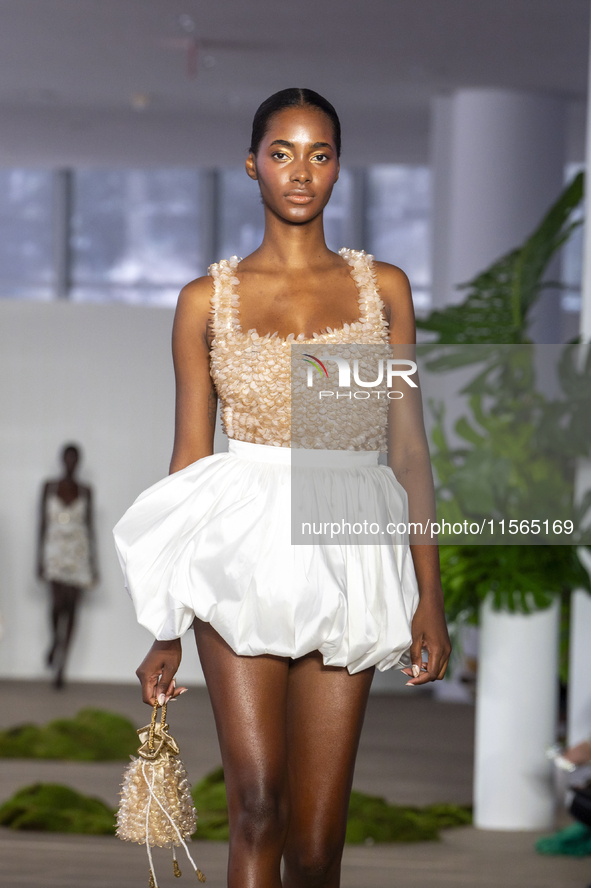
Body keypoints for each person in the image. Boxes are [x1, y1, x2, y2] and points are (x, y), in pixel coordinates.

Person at [114, 88, 451, 888]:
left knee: (318, 838)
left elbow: (409, 450)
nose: (300, 171)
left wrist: (427, 595)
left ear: (338, 170)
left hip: (350, 546)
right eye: (282, 152)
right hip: (240, 550)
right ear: (251, 165)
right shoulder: (206, 300)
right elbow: (190, 460)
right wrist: (165, 623)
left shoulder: (384, 291)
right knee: (257, 806)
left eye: (320, 154)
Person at [38, 443, 98, 689]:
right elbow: (41, 523)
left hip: (78, 552)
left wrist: (94, 564)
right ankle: (55, 641)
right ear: (62, 460)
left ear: (79, 462)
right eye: (68, 458)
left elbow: (90, 526)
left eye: (75, 459)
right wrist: (38, 559)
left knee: (73, 608)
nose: (71, 462)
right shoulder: (49, 487)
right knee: (57, 603)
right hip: (54, 551)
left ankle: (62, 666)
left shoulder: (86, 490)